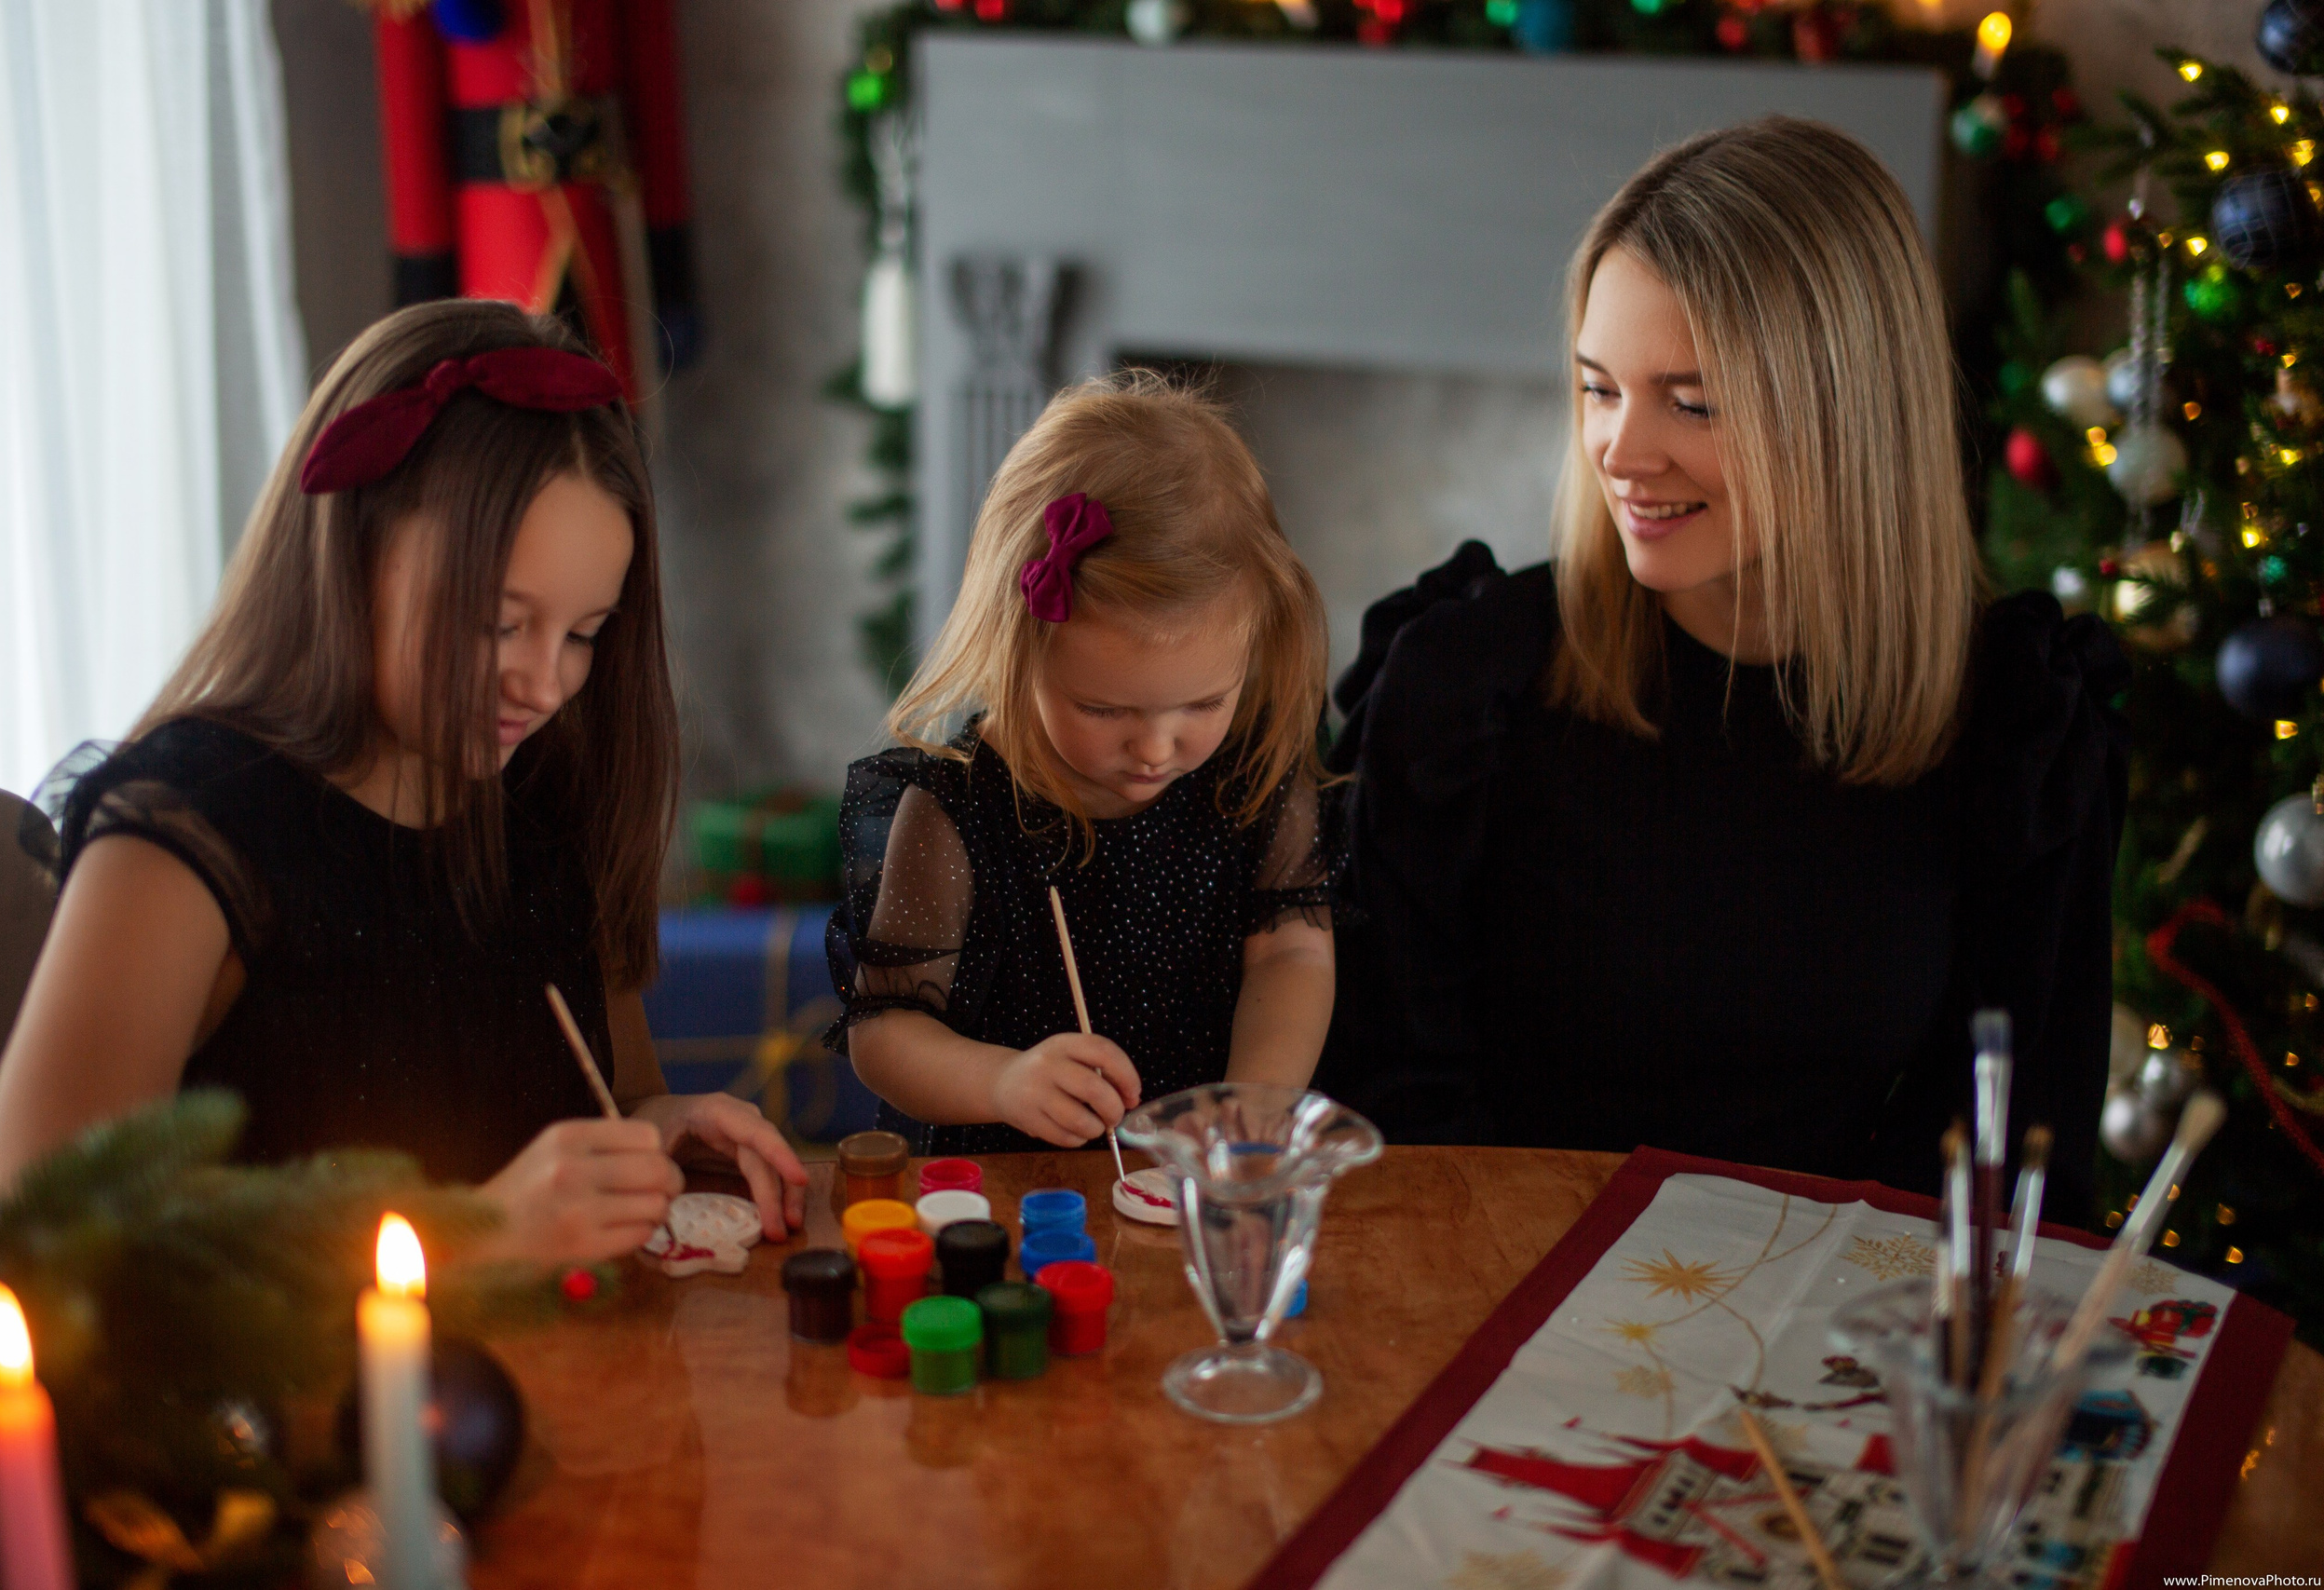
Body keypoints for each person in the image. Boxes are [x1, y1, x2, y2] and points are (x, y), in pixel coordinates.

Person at [1325, 116, 2127, 1221]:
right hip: (1496, 1298)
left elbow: (2009, 1164)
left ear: (1849, 416)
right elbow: (1387, 1120)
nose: (1620, 449)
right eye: (1599, 387)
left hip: (1828, 1343)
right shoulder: (1466, 687)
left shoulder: (2017, 722)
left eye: (1691, 400)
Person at [0, 300, 808, 1259]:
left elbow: (606, 1094)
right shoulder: (187, 834)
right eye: (500, 624)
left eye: (582, 635)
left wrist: (653, 1123)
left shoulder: (541, 803)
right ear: (354, 555)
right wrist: (471, 1238)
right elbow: (43, 1235)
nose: (544, 684)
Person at [829, 374, 1341, 1155]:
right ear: (1015, 650)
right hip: (1009, 1195)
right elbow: (884, 1030)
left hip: (1192, 1181)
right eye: (1105, 710)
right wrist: (1002, 1080)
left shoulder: (1255, 774)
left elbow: (1293, 950)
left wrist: (1255, 1102)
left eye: (1203, 703)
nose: (1157, 748)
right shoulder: (956, 808)